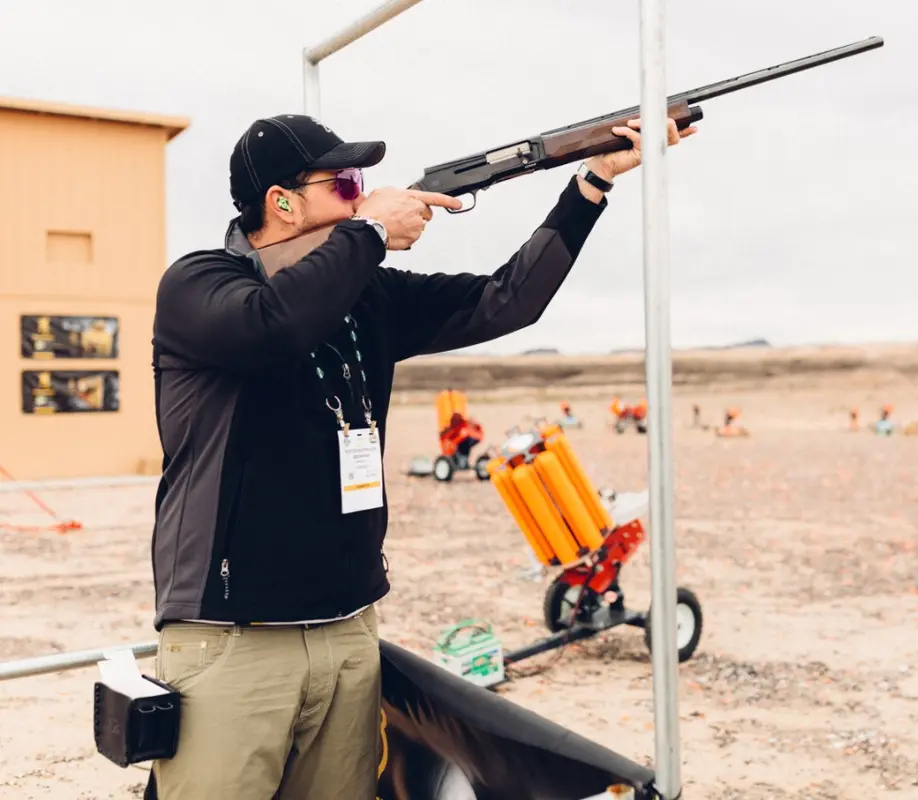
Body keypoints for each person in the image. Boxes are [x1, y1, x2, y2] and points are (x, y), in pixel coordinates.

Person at [147, 111, 696, 799]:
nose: (362, 193)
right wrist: (369, 233)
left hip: (348, 627)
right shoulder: (199, 286)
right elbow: (272, 329)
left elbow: (507, 301)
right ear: (281, 203)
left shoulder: (365, 292)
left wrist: (591, 185)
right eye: (343, 183)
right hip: (233, 635)